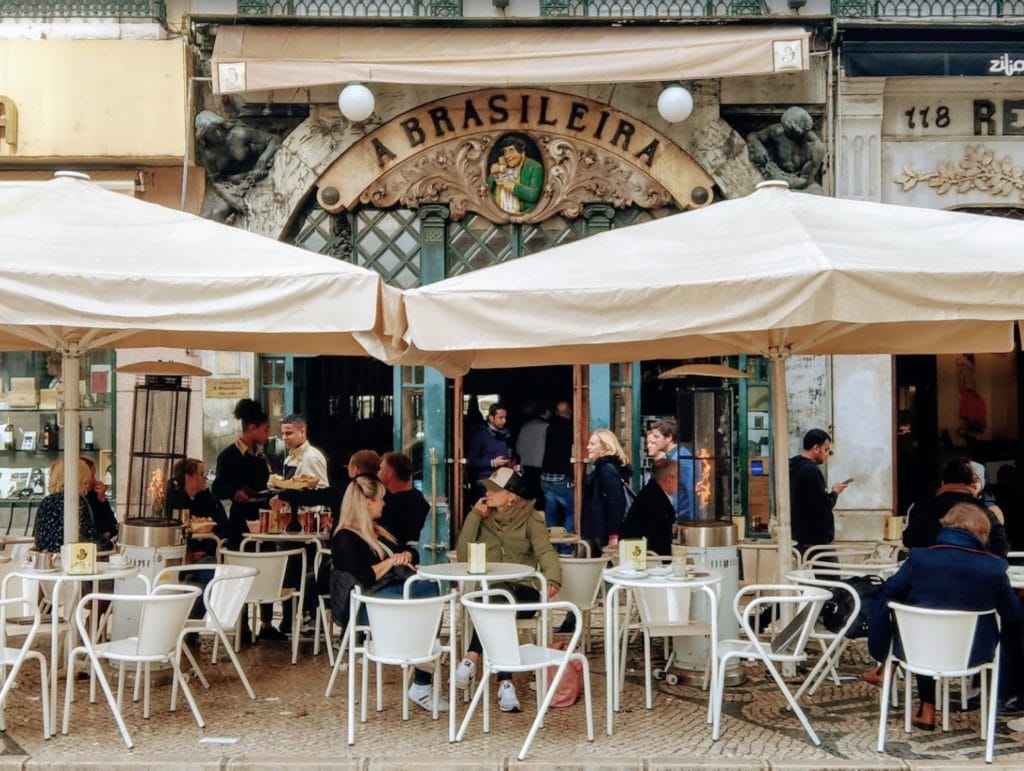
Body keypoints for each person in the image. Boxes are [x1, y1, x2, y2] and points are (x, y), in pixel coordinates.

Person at [868, 503, 1020, 730]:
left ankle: (926, 708)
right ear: (981, 533)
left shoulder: (919, 559)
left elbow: (888, 593)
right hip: (975, 653)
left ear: (946, 527)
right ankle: (1011, 692)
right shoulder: (994, 567)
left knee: (922, 625)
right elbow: (1011, 613)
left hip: (918, 651)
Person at [327, 475, 444, 712]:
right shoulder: (345, 538)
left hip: (389, 594)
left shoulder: (378, 531)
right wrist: (391, 562)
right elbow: (363, 576)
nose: (384, 503)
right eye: (380, 499)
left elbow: (410, 551)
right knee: (415, 607)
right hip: (367, 605)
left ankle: (422, 666)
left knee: (431, 591)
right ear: (367, 503)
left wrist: (406, 556)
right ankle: (425, 664)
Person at [455, 467, 562, 713]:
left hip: (523, 591)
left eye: (495, 489)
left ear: (512, 495)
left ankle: (472, 657)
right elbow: (463, 556)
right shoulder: (483, 518)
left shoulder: (530, 518)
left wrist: (553, 580)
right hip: (491, 595)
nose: (488, 493)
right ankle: (505, 682)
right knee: (496, 602)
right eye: (487, 488)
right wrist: (473, 516)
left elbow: (545, 551)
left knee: (495, 600)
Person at [903, 458, 1009, 557]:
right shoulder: (983, 511)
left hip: (936, 573)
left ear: (943, 483)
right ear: (972, 484)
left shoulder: (928, 509)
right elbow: (1001, 547)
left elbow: (909, 540)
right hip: (972, 573)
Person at [194, 109, 280, 223]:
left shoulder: (239, 134)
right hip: (236, 184)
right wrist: (232, 200)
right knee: (215, 214)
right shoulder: (208, 153)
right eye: (212, 132)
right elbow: (216, 181)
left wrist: (262, 161)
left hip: (259, 174)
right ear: (204, 136)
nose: (218, 133)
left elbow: (274, 139)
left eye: (218, 128)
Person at [789, 428, 848, 554]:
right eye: (826, 450)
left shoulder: (793, 467)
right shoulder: (811, 471)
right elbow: (821, 506)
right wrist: (835, 492)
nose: (827, 454)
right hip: (815, 542)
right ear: (816, 448)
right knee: (829, 573)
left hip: (800, 538)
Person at [746, 106, 825, 195]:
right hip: (776, 175)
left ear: (800, 131)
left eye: (789, 131)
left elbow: (804, 181)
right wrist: (757, 146)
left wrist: (787, 189)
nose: (785, 132)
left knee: (818, 192)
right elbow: (752, 135)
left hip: (799, 183)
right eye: (785, 128)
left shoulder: (815, 147)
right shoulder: (777, 131)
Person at [34, 458, 101, 552]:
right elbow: (89, 535)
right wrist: (108, 544)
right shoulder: (74, 501)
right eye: (85, 482)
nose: (87, 487)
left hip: (45, 557)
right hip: (70, 556)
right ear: (78, 481)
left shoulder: (46, 501)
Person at [166, 458, 229, 557]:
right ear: (187, 477)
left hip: (207, 555)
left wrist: (205, 551)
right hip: (177, 555)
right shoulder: (172, 501)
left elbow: (223, 528)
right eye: (202, 474)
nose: (206, 478)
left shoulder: (211, 500)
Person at [582, 428, 632, 552]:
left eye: (593, 444)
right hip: (599, 529)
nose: (588, 447)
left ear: (605, 448)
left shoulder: (606, 470)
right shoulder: (602, 468)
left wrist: (613, 534)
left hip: (602, 531)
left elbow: (616, 503)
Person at [620, 458, 677, 555]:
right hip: (645, 557)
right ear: (669, 480)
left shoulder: (651, 493)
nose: (681, 482)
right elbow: (658, 539)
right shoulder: (656, 501)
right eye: (679, 477)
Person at [645, 419, 695, 522]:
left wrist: (693, 519)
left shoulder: (683, 457)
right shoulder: (670, 456)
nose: (653, 441)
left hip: (682, 518)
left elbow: (692, 488)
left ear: (668, 437)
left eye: (656, 437)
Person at [377, 451, 429, 547]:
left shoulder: (392, 504)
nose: (377, 473)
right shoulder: (418, 498)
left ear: (389, 474)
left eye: (380, 469)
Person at [540, 399, 575, 535]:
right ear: (570, 411)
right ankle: (566, 549)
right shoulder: (572, 429)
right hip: (562, 477)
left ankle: (552, 547)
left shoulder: (550, 428)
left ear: (556, 412)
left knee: (550, 514)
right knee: (571, 512)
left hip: (545, 476)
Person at [467, 402, 515, 496]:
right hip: (487, 484)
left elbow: (512, 454)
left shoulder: (507, 434)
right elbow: (471, 461)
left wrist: (514, 465)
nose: (504, 421)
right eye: (500, 418)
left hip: (505, 482)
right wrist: (493, 462)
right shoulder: (480, 435)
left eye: (505, 417)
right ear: (491, 418)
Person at [486, 137, 544, 214]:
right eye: (505, 152)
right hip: (499, 214)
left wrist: (513, 187)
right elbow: (487, 190)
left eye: (511, 151)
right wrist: (493, 175)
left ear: (522, 153)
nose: (507, 156)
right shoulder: (501, 166)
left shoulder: (535, 167)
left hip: (522, 215)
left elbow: (533, 195)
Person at [515, 401, 550, 510]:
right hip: (540, 468)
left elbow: (518, 447)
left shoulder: (525, 426)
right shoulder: (547, 427)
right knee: (541, 499)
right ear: (547, 412)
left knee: (528, 499)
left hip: (526, 468)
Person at [280, 414, 329, 488]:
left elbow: (322, 490)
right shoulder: (289, 458)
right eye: (283, 433)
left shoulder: (312, 457)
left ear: (302, 432)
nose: (284, 437)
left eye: (288, 433)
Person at [82, 457, 117, 550]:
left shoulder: (94, 496)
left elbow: (113, 529)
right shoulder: (77, 501)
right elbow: (90, 533)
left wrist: (102, 499)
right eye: (92, 476)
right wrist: (102, 536)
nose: (95, 481)